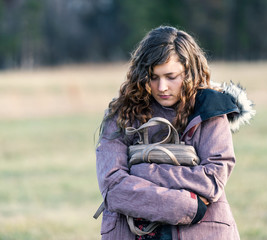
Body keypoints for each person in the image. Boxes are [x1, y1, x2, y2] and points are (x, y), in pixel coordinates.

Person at [95, 26, 255, 240]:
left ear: (188, 72)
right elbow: (113, 187)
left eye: (171, 76)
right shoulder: (121, 114)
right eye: (153, 77)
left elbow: (212, 179)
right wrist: (188, 206)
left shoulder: (210, 109)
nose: (162, 87)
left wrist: (141, 171)